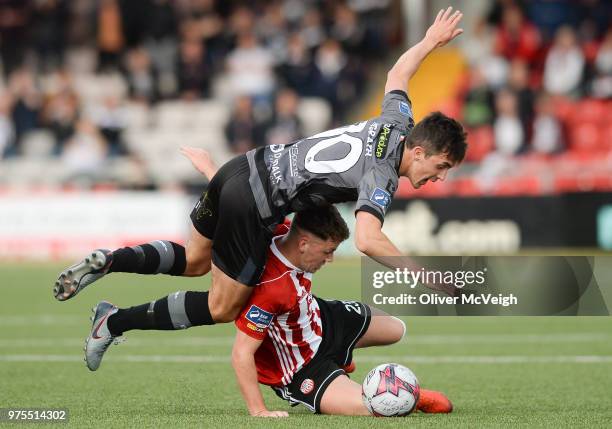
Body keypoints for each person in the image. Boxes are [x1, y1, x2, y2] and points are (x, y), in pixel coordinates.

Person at [54, 7, 467, 337]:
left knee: (197, 260)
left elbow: (398, 74)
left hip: (240, 167)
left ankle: (110, 260)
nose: (441, 177)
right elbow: (368, 240)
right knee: (223, 307)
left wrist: (430, 41)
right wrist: (425, 276)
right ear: (418, 150)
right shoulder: (383, 174)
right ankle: (113, 321)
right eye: (441, 166)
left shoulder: (397, 119)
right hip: (252, 205)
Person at [85, 203, 452, 417]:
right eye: (327, 252)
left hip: (320, 318)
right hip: (302, 367)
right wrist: (258, 412)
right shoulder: (271, 291)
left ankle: (344, 355)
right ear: (305, 243)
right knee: (375, 407)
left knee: (397, 329)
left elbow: (238, 196)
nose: (329, 259)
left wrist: (211, 170)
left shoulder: (279, 231)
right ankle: (410, 397)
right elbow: (241, 353)